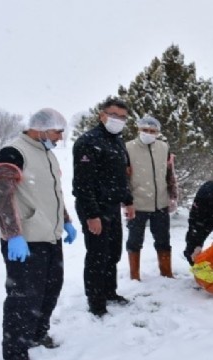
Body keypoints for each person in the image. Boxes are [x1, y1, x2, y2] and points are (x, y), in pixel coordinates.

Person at [0, 108, 77, 359]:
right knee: (23, 299)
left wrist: (66, 221)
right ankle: (15, 351)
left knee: (51, 290)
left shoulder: (49, 155)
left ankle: (37, 334)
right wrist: (12, 234)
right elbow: (0, 196)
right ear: (39, 129)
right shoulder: (13, 152)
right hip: (25, 242)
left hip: (51, 237)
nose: (60, 137)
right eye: (57, 132)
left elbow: (54, 196)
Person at [73, 98, 135, 317]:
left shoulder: (118, 141)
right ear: (102, 115)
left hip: (112, 207)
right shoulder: (88, 142)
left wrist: (128, 200)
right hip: (94, 207)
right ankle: (96, 301)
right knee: (97, 255)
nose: (117, 120)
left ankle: (110, 292)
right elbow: (82, 184)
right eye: (113, 114)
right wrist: (92, 215)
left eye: (122, 116)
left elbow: (121, 177)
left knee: (113, 253)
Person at [125, 116, 178, 281]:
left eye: (153, 131)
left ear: (158, 133)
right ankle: (134, 275)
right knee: (135, 241)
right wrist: (127, 202)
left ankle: (166, 272)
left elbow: (170, 174)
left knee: (163, 239)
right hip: (137, 203)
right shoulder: (127, 148)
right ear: (138, 130)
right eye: (145, 130)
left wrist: (173, 195)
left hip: (160, 203)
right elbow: (123, 177)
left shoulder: (164, 147)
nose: (149, 133)